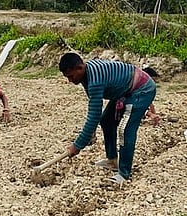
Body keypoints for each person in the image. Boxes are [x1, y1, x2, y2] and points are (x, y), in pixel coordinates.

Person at [59, 52, 157, 186]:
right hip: (124, 90)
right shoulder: (85, 75)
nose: (70, 80)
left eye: (70, 76)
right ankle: (112, 161)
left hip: (141, 89)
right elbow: (94, 106)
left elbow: (94, 115)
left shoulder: (95, 80)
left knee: (125, 129)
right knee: (106, 120)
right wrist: (90, 134)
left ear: (80, 68)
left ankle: (124, 173)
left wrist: (77, 146)